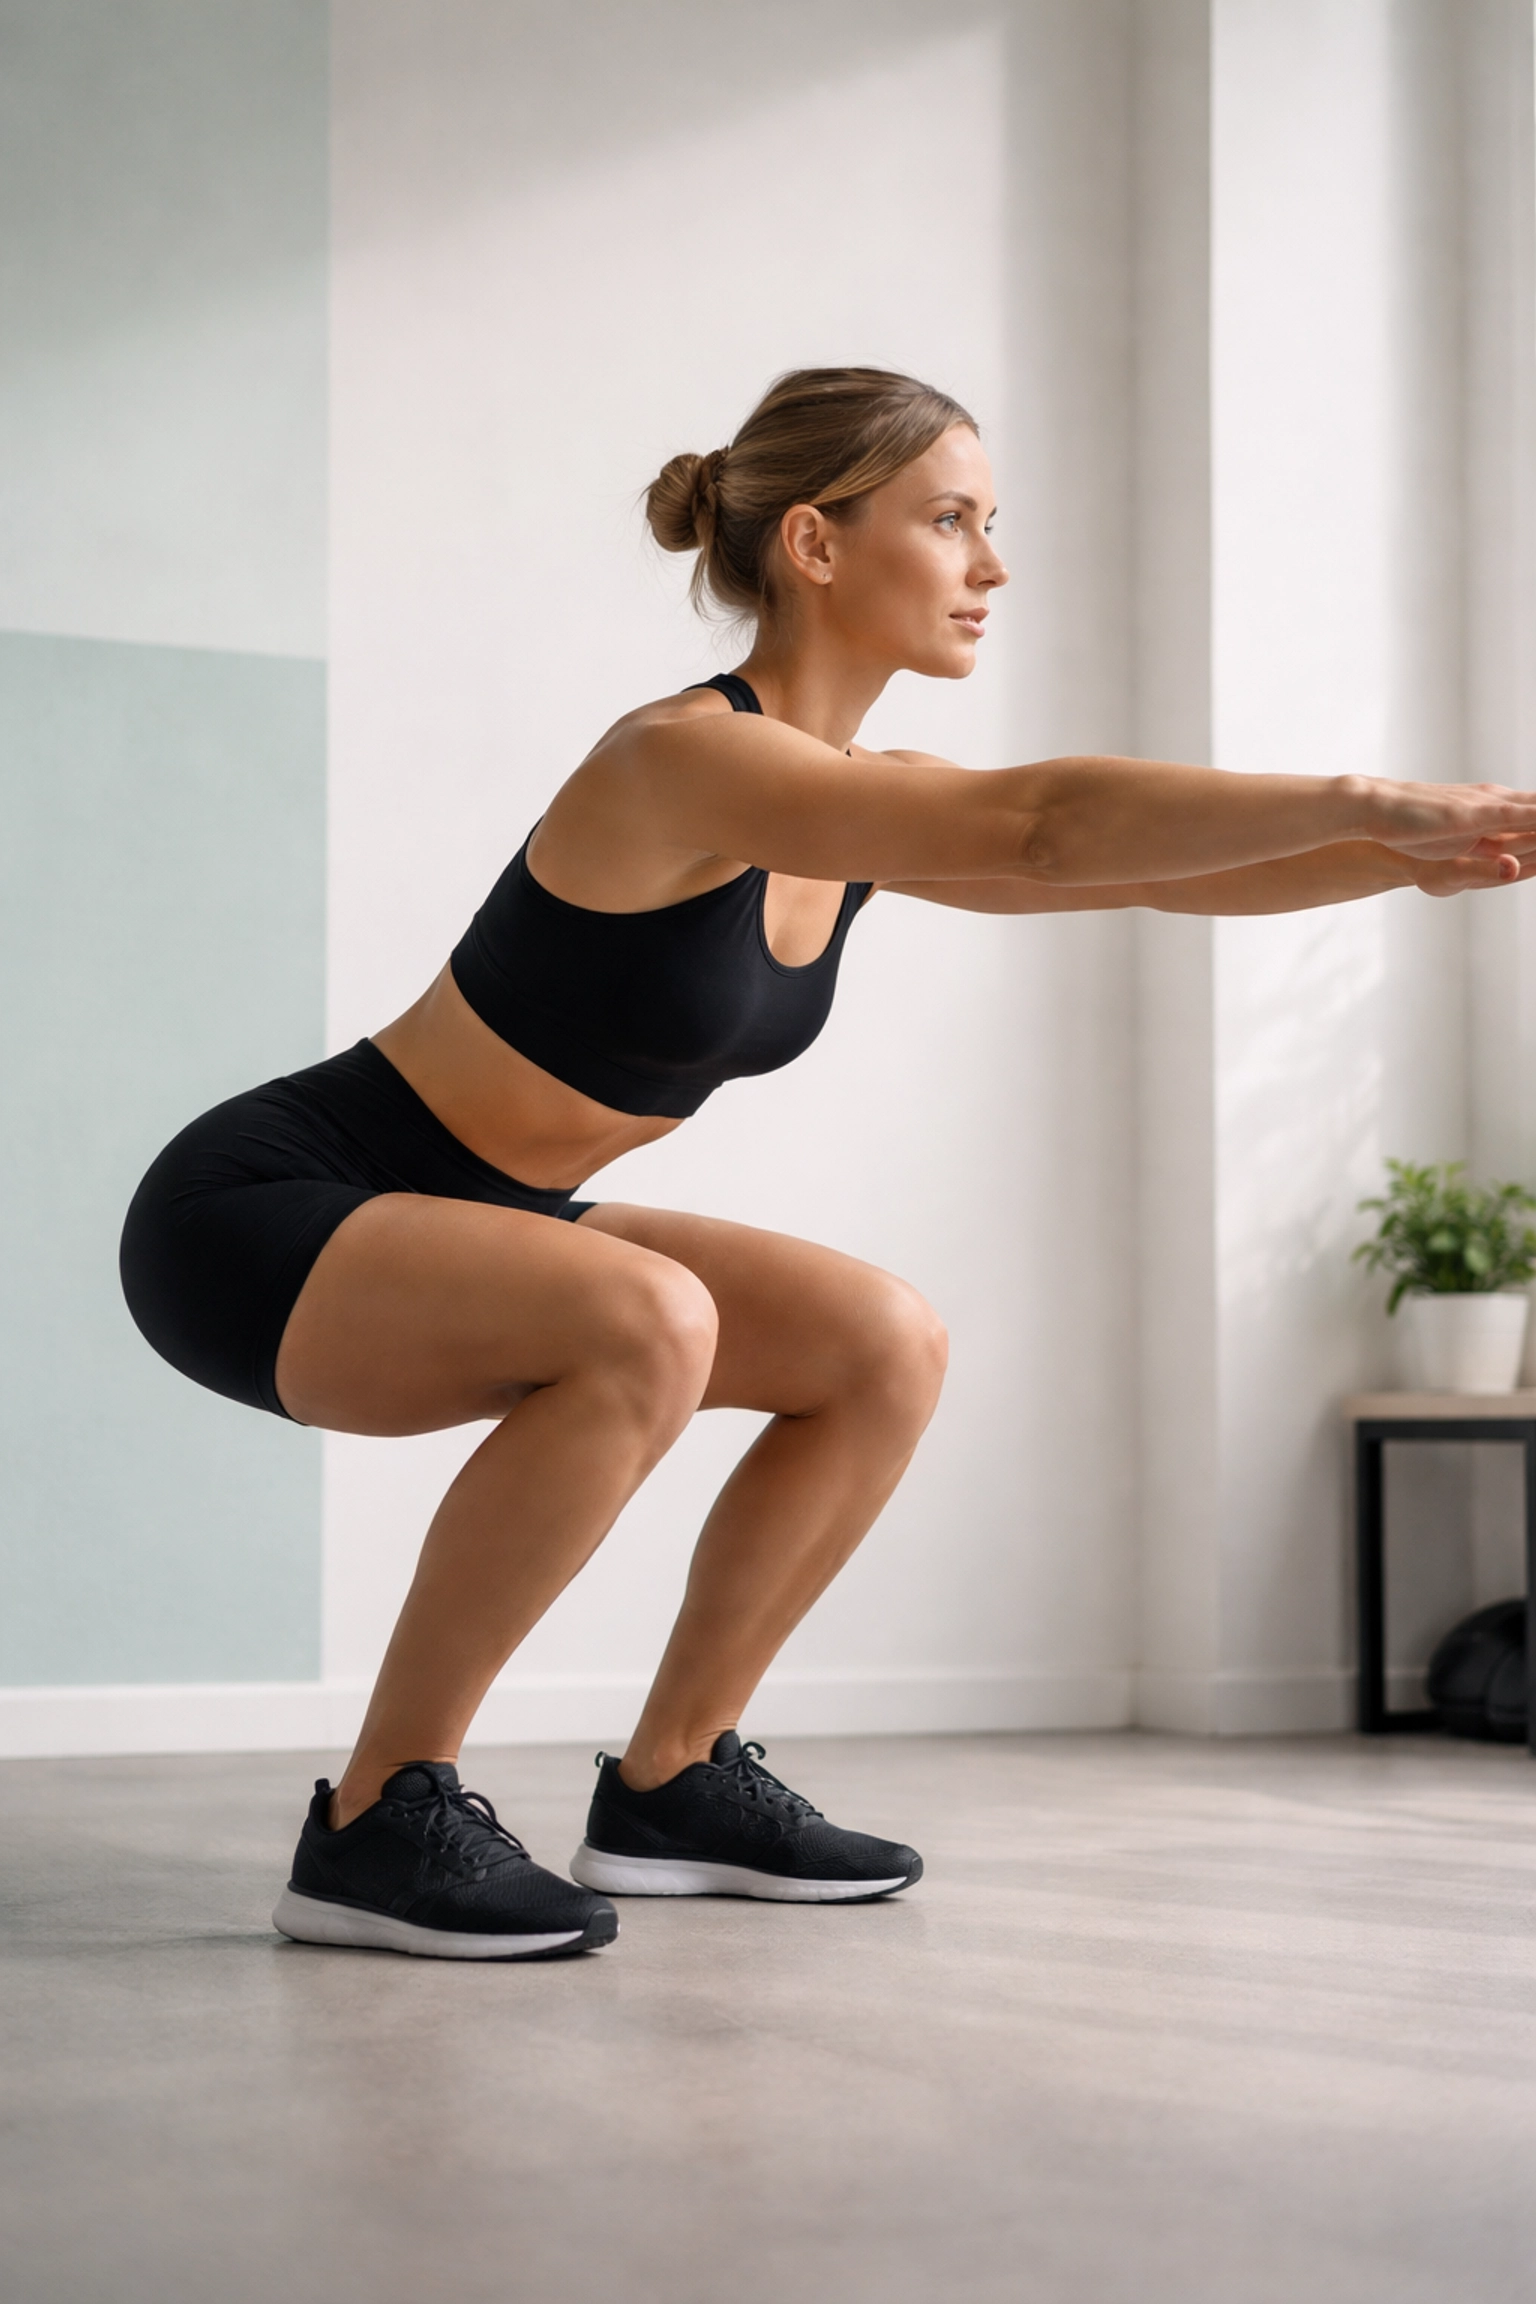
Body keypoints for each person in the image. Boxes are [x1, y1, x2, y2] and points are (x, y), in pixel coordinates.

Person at [120, 367, 1536, 1962]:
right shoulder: (680, 762)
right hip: (266, 1214)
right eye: (950, 521)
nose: (990, 566)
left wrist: (1427, 853)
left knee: (880, 1339)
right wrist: (1375, 794)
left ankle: (672, 1784)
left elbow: (1132, 877)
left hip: (474, 1214)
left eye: (992, 526)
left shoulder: (865, 811)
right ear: (812, 540)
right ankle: (380, 1812)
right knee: (648, 1314)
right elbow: (1051, 825)